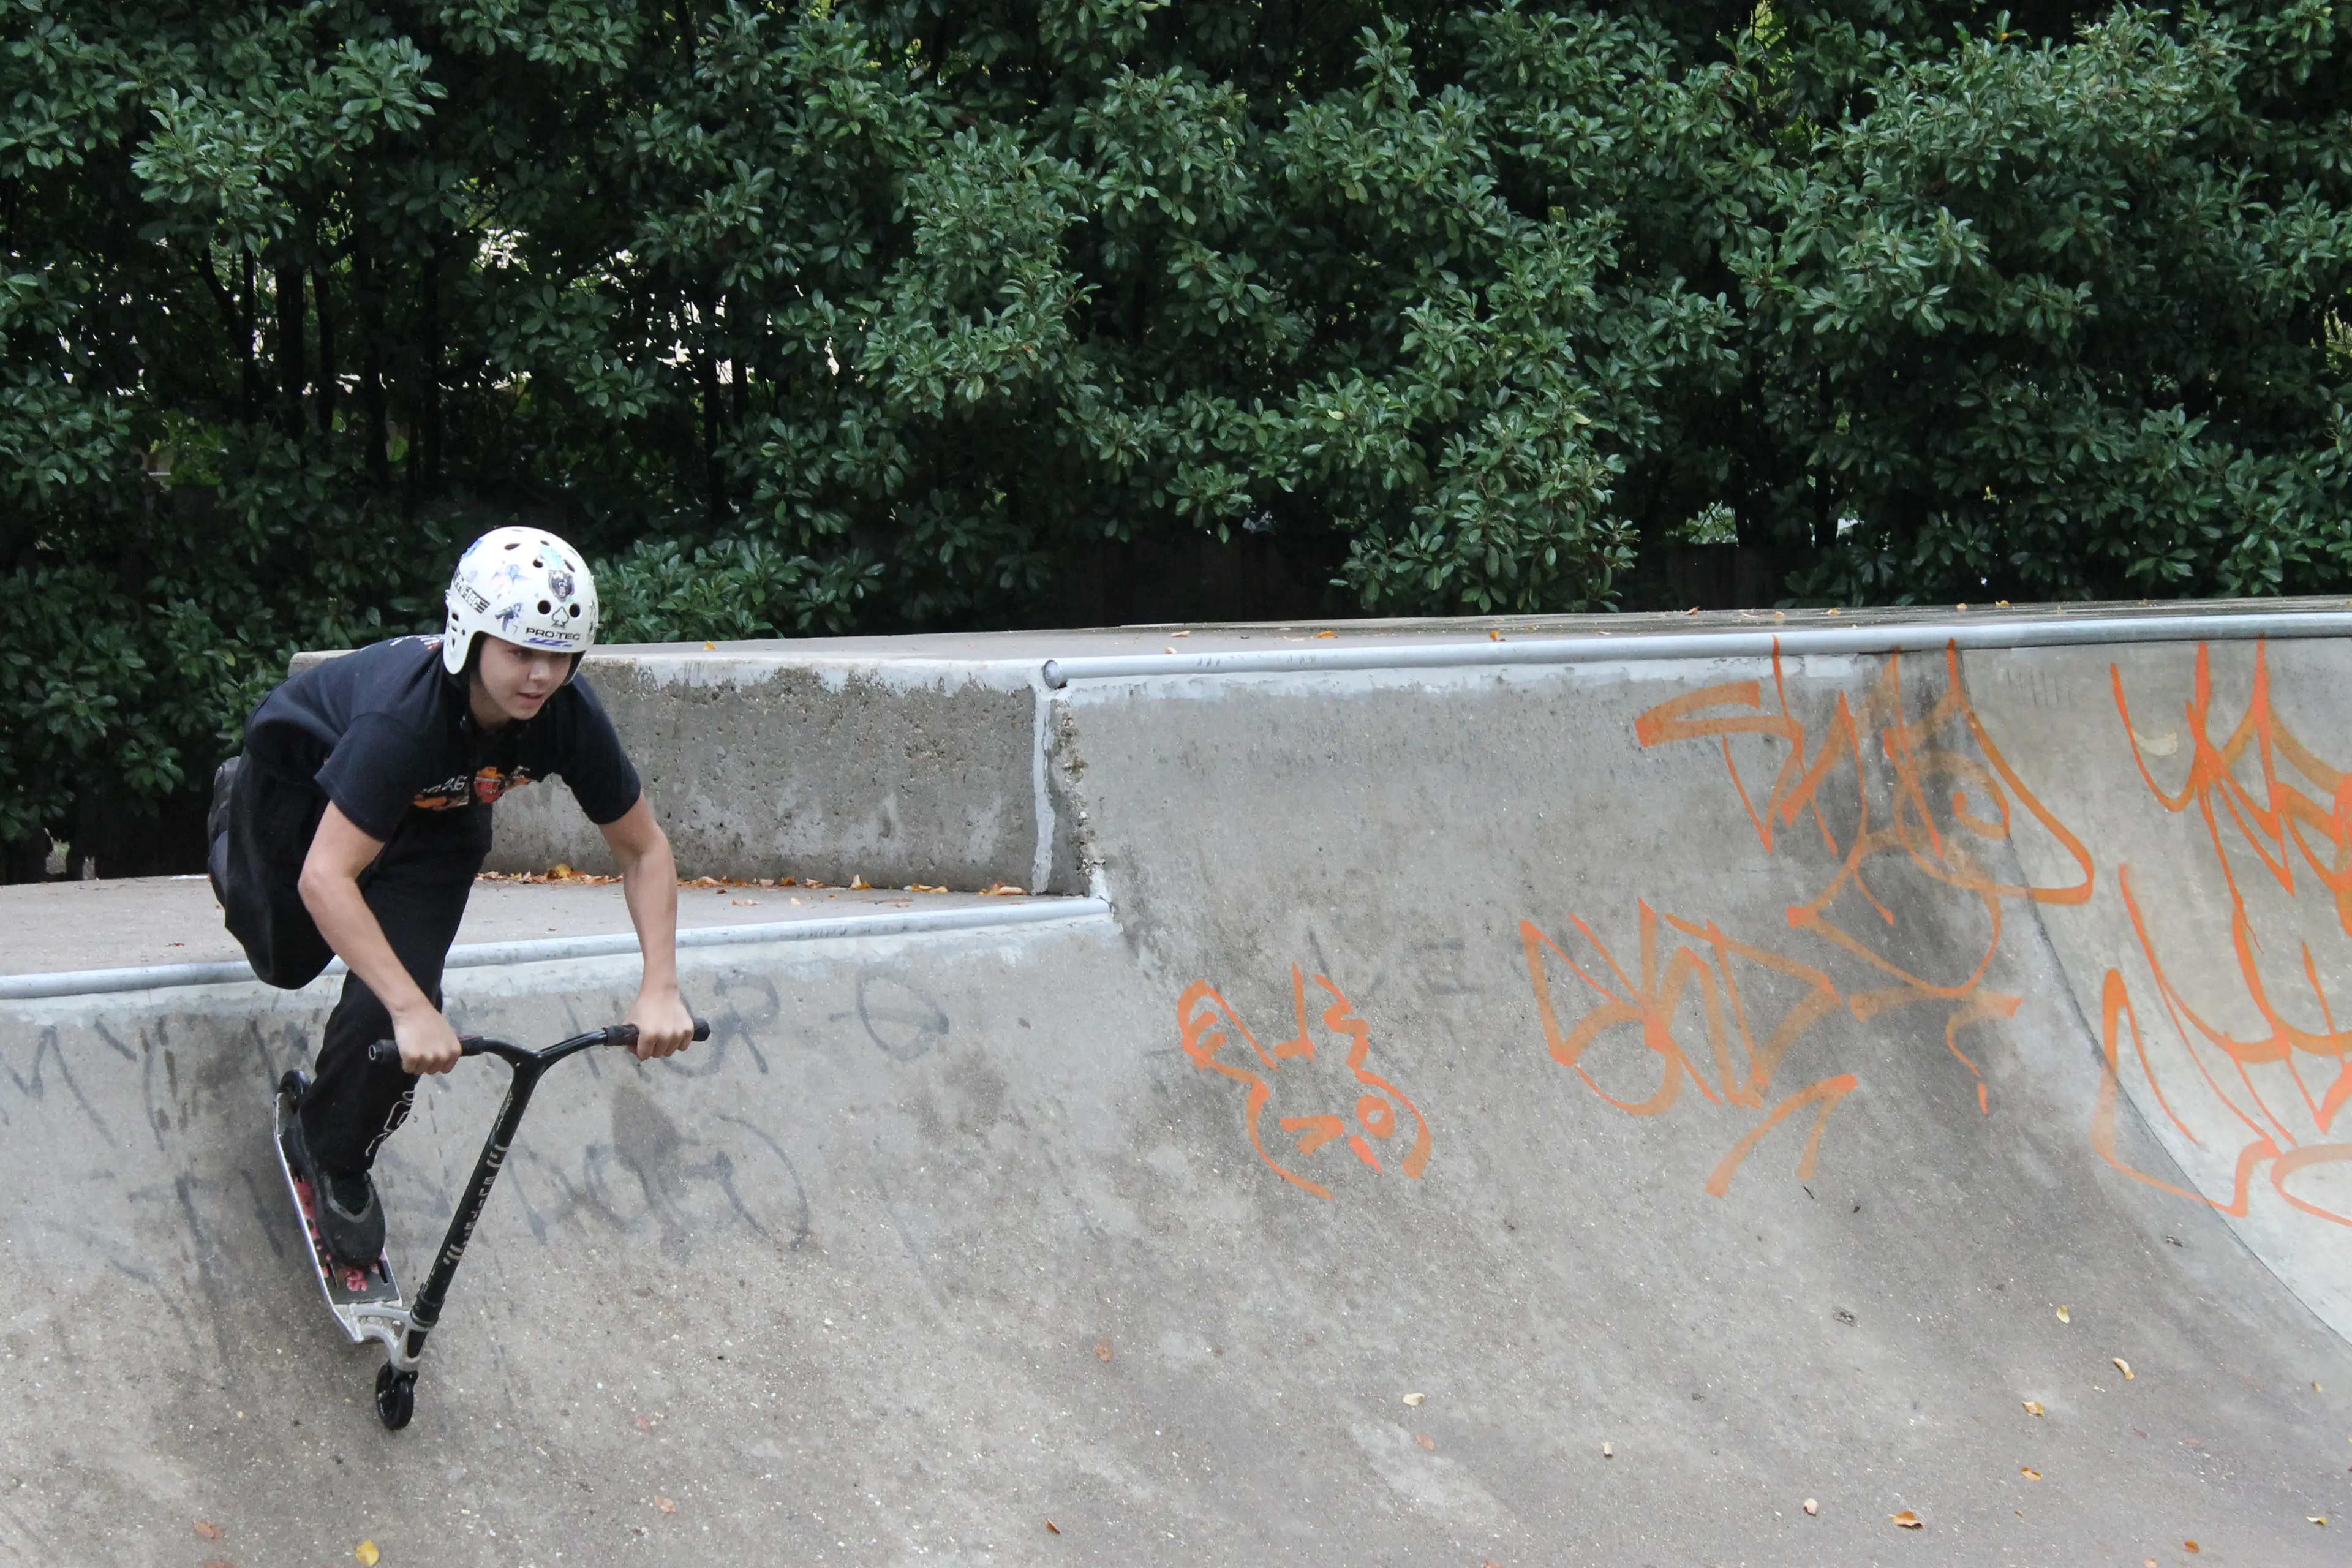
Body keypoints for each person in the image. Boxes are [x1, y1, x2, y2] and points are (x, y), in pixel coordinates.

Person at [209, 526, 696, 1265]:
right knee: (287, 960)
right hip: (303, 790)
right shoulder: (403, 720)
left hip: (440, 817)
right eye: (521, 652)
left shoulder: (566, 712)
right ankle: (229, 814)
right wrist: (411, 1011)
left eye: (559, 656)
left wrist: (661, 985)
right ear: (471, 636)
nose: (541, 675)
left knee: (400, 990)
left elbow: (644, 847)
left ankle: (332, 1148)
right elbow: (323, 877)